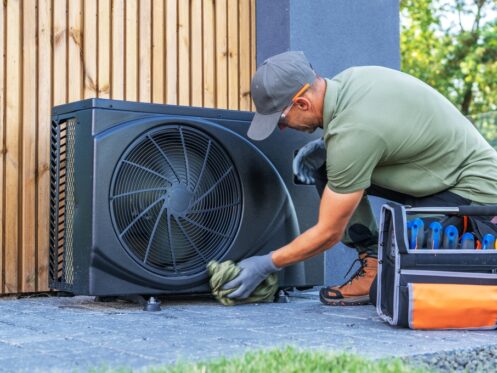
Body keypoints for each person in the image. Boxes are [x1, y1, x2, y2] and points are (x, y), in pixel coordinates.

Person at [222, 51, 497, 306]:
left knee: (399, 258)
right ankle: (374, 266)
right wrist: (330, 147)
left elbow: (328, 233)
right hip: (437, 171)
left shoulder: (353, 132)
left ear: (302, 103)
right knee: (329, 168)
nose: (282, 129)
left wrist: (267, 264)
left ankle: (386, 267)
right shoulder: (350, 81)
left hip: (476, 191)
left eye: (280, 120)